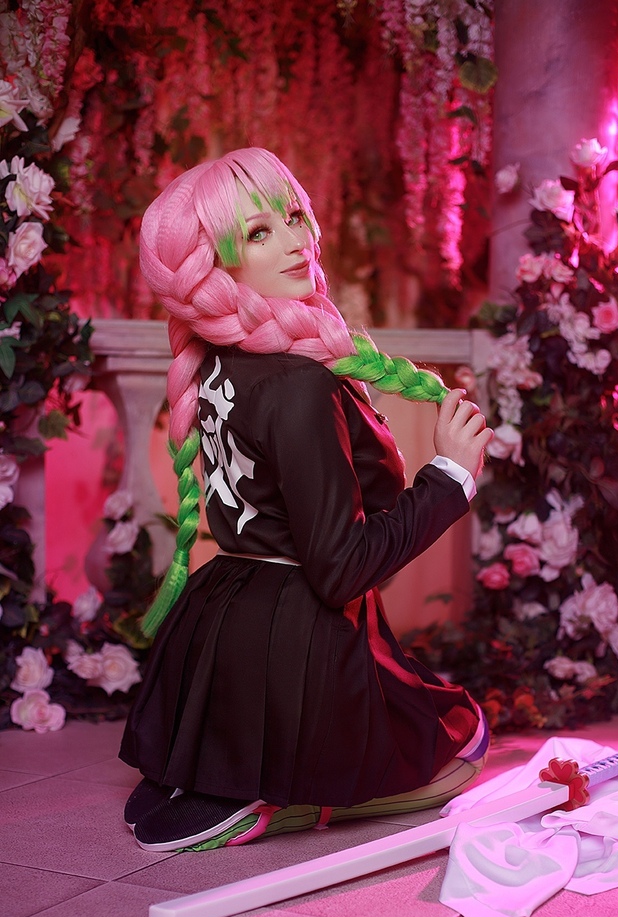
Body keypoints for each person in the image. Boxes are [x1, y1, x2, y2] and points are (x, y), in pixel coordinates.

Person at [119, 147, 493, 852]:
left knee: (441, 718)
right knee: (458, 746)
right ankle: (287, 792)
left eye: (293, 217)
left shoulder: (218, 361)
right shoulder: (296, 383)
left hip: (225, 617)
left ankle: (223, 772)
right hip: (297, 641)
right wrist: (450, 477)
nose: (296, 242)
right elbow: (340, 570)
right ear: (214, 265)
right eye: (258, 233)